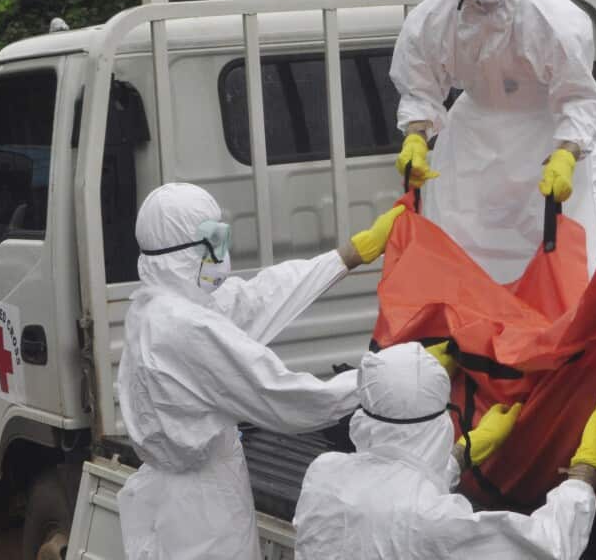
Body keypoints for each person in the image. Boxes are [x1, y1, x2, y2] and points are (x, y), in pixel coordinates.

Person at [116, 183, 406, 560]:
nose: (223, 252)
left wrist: (345, 257)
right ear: (188, 251)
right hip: (203, 516)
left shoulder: (155, 306)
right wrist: (388, 378)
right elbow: (284, 399)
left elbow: (256, 298)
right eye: (215, 240)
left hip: (179, 500)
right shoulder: (183, 328)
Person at [392, 0, 596, 284]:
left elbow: (579, 97)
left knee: (568, 271)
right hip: (472, 152)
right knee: (464, 267)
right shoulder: (430, 21)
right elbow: (420, 89)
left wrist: (567, 154)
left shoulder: (556, 20)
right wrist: (415, 136)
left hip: (549, 143)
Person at [293, 342, 596, 559]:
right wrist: (585, 469)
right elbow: (549, 548)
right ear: (439, 423)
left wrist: (464, 454)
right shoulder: (436, 521)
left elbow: (394, 482)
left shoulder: (323, 474)